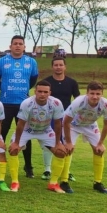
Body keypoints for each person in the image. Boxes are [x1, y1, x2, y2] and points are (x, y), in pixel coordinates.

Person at [0, 35, 39, 178]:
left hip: (24, 104)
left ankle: (28, 167)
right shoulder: (1, 61)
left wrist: (22, 90)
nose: (18, 46)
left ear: (24, 47)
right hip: (5, 103)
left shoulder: (31, 62)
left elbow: (33, 80)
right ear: (10, 46)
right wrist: (5, 89)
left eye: (20, 44)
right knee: (0, 135)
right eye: (15, 44)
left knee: (25, 136)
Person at [8, 80, 64, 192]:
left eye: (45, 92)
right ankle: (15, 182)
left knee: (60, 152)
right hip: (27, 130)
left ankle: (53, 183)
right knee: (13, 150)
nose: (42, 94)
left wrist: (58, 143)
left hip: (45, 130)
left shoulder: (56, 103)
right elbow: (20, 124)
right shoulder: (27, 103)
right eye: (40, 91)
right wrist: (16, 143)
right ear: (35, 92)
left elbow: (58, 124)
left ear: (50, 93)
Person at [63, 81, 107, 194]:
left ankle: (98, 183)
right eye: (92, 93)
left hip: (90, 125)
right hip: (73, 125)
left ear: (102, 94)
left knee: (99, 151)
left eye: (98, 94)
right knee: (68, 150)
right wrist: (68, 142)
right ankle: (64, 181)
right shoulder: (79, 102)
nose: (95, 96)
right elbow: (66, 122)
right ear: (87, 93)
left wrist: (100, 143)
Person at [42, 57, 80, 185]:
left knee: (67, 144)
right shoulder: (46, 81)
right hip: (50, 116)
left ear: (65, 67)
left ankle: (66, 171)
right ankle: (47, 169)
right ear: (52, 67)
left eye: (61, 65)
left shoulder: (72, 82)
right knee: (49, 142)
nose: (58, 67)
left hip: (66, 118)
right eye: (56, 65)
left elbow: (77, 100)